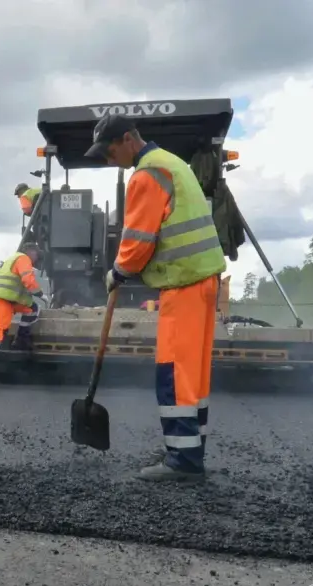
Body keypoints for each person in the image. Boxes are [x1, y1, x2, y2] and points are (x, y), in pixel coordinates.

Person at [86, 114, 227, 482]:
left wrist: (116, 272)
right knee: (193, 374)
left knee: (174, 373)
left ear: (129, 139)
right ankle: (190, 450)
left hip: (183, 284)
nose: (106, 159)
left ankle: (182, 462)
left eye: (109, 150)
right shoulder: (171, 163)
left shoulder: (148, 173)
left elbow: (137, 241)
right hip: (202, 280)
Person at [0, 242, 44, 386]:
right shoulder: (23, 259)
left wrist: (31, 301)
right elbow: (28, 281)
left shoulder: (13, 259)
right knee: (0, 332)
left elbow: (20, 289)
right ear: (30, 251)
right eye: (36, 254)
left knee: (32, 309)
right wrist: (41, 293)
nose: (36, 258)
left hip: (8, 299)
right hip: (3, 300)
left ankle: (21, 339)